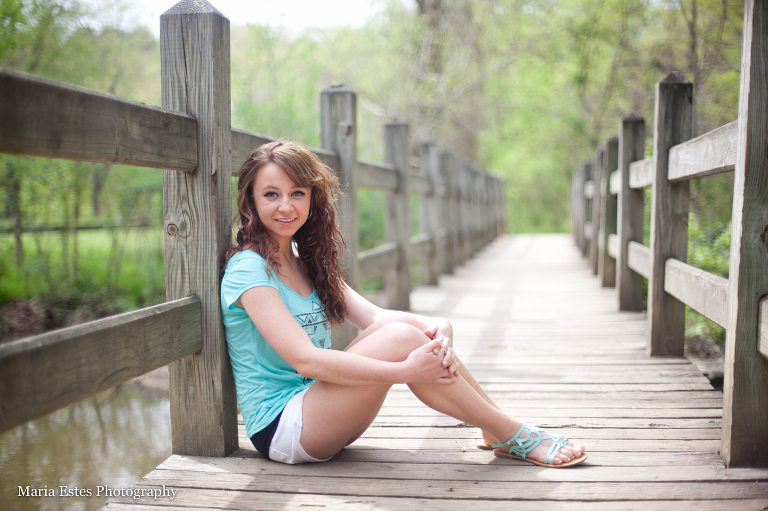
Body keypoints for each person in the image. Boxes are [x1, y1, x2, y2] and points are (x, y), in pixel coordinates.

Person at [220, 140, 587, 467]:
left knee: (412, 331)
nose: (286, 206)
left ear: (312, 198)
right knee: (403, 339)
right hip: (284, 428)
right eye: (271, 194)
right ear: (250, 200)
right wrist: (405, 371)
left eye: (297, 193)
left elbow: (375, 317)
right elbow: (306, 360)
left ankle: (496, 427)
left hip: (324, 410)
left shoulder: (303, 257)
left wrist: (438, 325)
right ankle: (513, 433)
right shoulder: (249, 269)